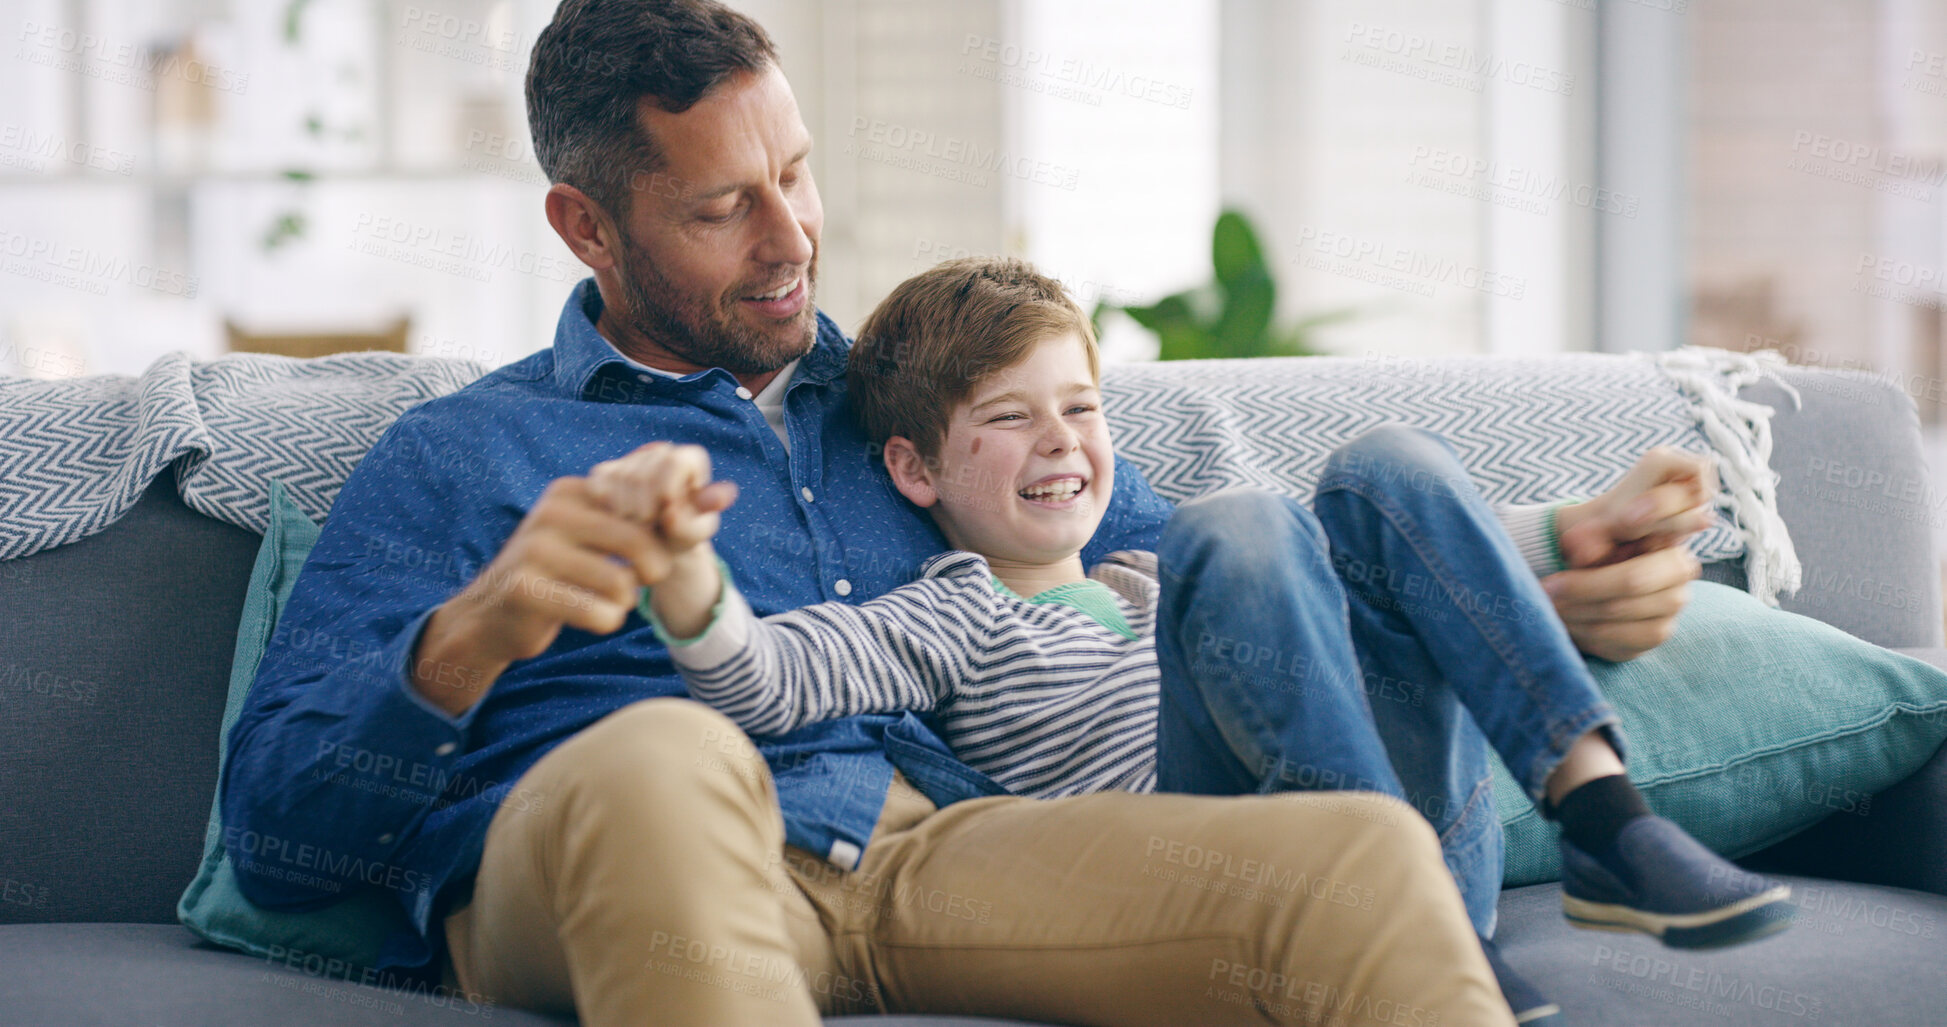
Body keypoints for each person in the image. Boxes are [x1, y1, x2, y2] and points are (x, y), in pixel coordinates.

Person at [221, 1, 1727, 1024]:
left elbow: (1192, 570)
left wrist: (1534, 566)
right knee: (670, 747)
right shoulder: (465, 452)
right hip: (617, 837)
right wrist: (479, 628)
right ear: (587, 224)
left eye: (795, 177)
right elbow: (284, 834)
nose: (789, 237)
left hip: (944, 847)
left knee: (1359, 858)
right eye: (717, 207)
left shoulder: (909, 393)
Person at [590, 256, 1795, 1021]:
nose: (1061, 442)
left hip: (1424, 840)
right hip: (1231, 883)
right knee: (1246, 527)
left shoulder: (1152, 567)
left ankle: (1604, 817)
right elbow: (763, 677)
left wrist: (1579, 533)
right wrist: (682, 570)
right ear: (913, 468)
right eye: (1009, 419)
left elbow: (1398, 561)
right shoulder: (954, 612)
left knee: (1382, 464)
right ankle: (1395, 903)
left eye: (1081, 408)